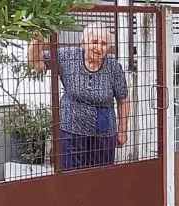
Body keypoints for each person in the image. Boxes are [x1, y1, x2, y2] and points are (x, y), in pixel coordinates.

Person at [28, 23, 129, 170]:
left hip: (103, 131)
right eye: (94, 42)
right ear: (83, 43)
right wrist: (40, 32)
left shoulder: (113, 67)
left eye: (104, 44)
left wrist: (123, 131)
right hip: (70, 130)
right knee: (70, 177)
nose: (99, 48)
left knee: (102, 178)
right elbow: (35, 62)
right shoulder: (67, 56)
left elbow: (123, 99)